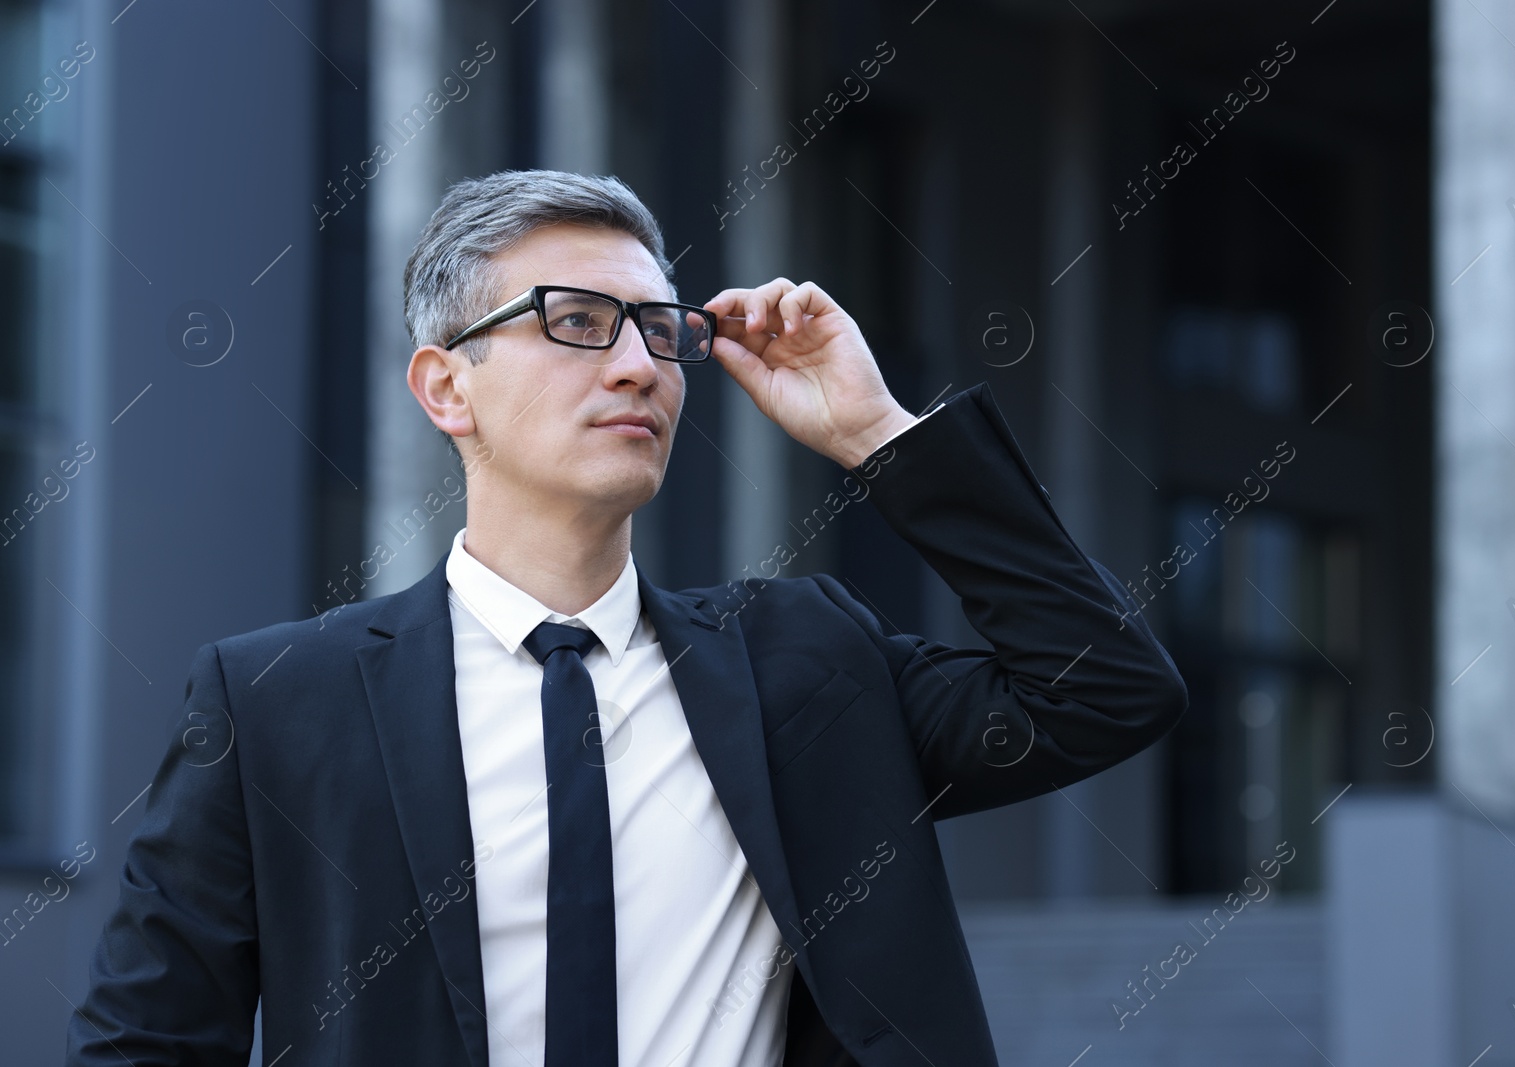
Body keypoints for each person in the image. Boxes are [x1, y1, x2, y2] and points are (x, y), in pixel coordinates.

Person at [65, 169, 1186, 1067]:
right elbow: (149, 1037)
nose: (640, 363)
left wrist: (878, 432)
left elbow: (1104, 688)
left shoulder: (806, 663)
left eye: (660, 328)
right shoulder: (276, 702)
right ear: (446, 386)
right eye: (580, 322)